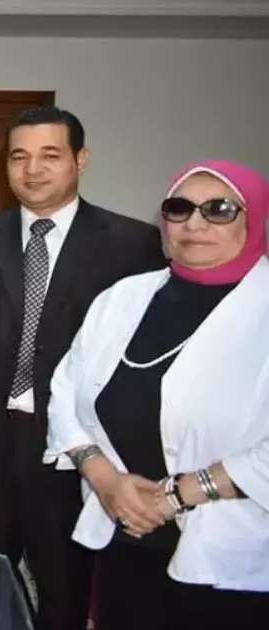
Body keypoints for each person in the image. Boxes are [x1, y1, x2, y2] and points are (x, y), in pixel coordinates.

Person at [0, 106, 166, 630]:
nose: (32, 170)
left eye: (49, 155)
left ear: (81, 160)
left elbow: (140, 361)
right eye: (19, 157)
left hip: (73, 453)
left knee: (64, 593)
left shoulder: (132, 244)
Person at [46, 159, 269, 629]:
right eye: (179, 207)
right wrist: (104, 479)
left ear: (255, 218)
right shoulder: (123, 297)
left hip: (235, 551)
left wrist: (177, 497)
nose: (195, 224)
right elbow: (66, 391)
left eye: (219, 209)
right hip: (126, 530)